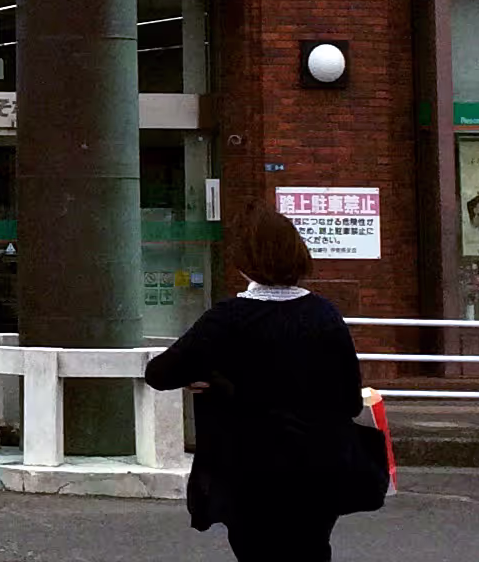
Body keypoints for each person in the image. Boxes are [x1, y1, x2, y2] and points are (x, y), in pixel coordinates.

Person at [144, 208, 374, 562]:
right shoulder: (325, 316)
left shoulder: (226, 318)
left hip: (248, 469)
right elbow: (349, 401)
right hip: (318, 468)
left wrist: (216, 382)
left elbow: (159, 374)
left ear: (243, 261)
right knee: (311, 551)